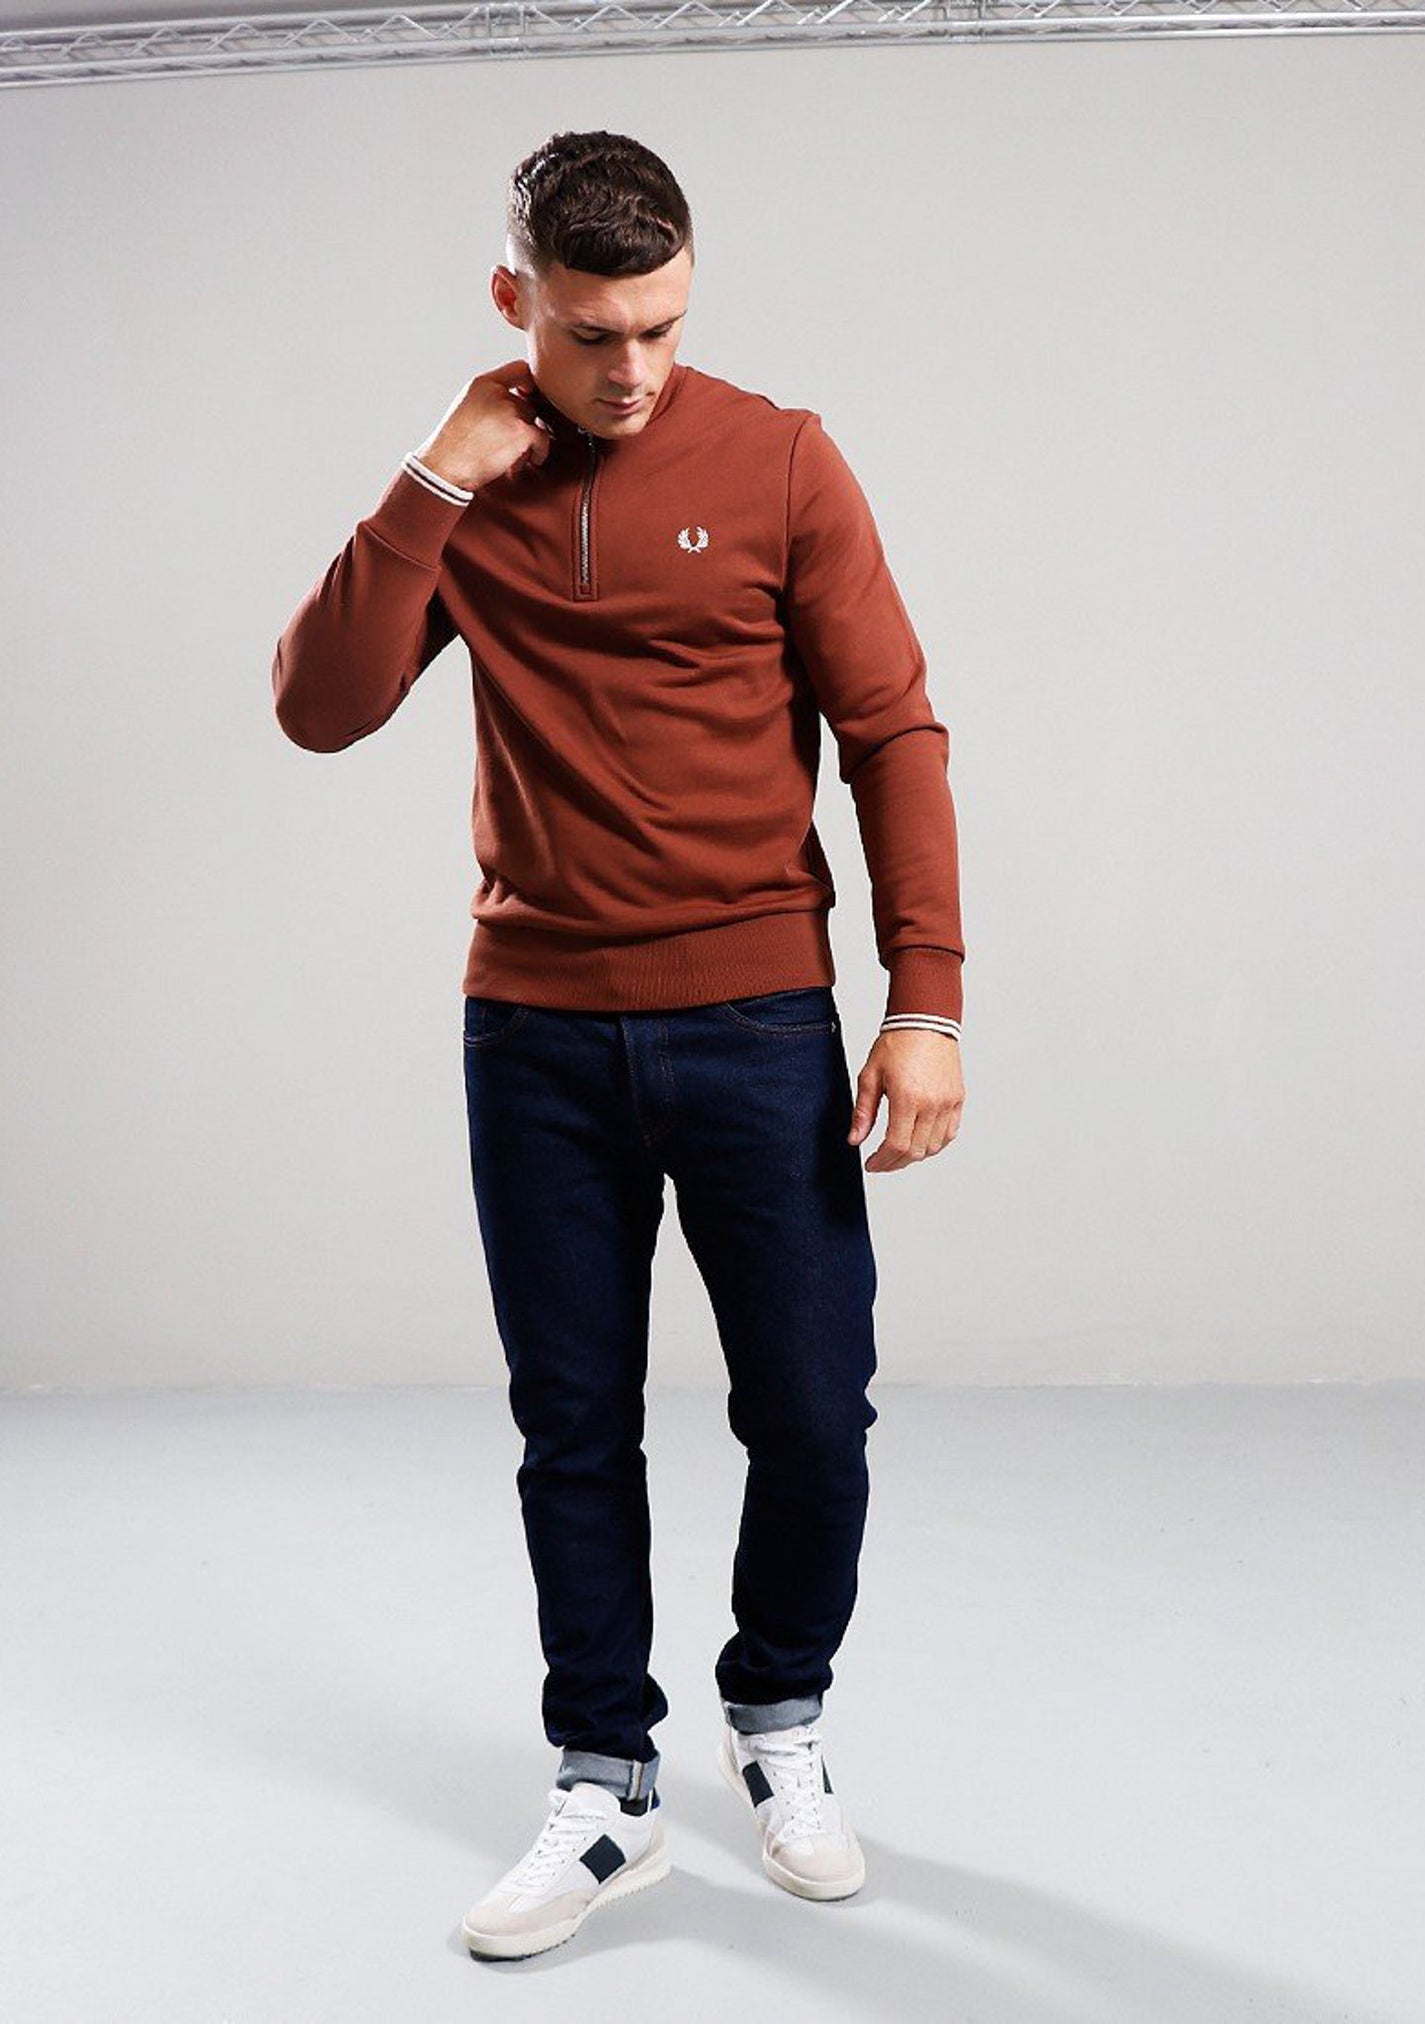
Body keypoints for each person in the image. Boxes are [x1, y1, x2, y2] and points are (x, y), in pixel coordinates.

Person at [272, 128, 967, 1962]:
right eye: (592, 333)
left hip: (756, 1021)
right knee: (570, 1423)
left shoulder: (782, 459)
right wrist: (432, 477)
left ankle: (778, 1714)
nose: (636, 368)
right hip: (536, 1034)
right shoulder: (470, 486)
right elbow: (319, 709)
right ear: (516, 302)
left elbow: (891, 732)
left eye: (662, 324)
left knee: (809, 1411)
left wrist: (925, 1000)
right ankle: (607, 1785)